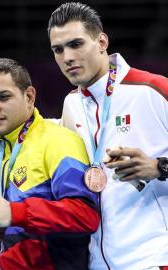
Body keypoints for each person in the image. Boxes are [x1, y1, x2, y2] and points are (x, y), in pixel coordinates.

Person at [48, 2, 168, 269]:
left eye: (76, 44)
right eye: (58, 49)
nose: (67, 57)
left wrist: (159, 167)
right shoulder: (72, 104)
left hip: (152, 259)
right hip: (97, 262)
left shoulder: (152, 90)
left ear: (101, 41)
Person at [0, 58, 100, 269]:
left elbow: (85, 216)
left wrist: (15, 212)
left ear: (29, 96)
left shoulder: (58, 141)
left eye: (2, 97)